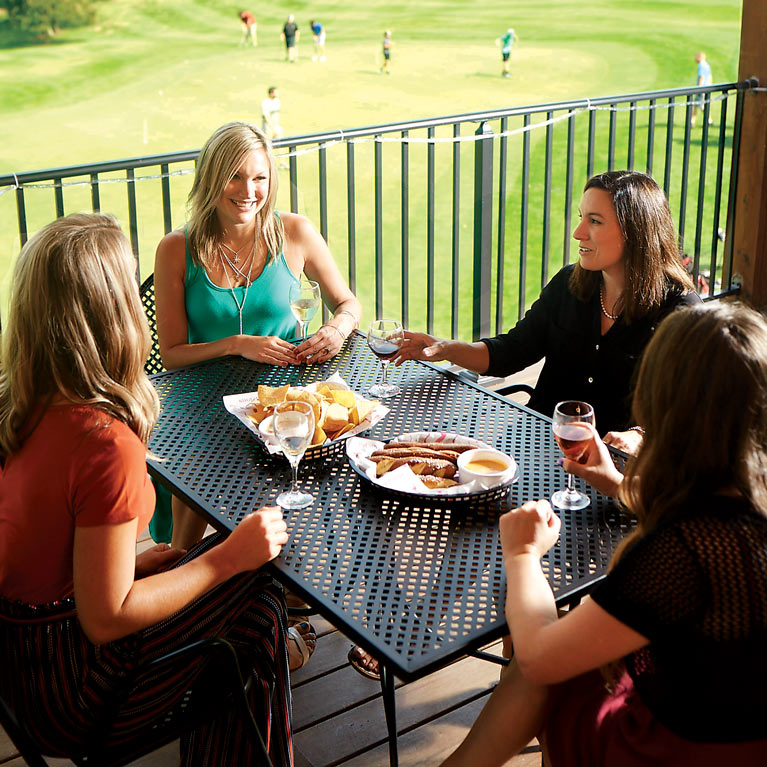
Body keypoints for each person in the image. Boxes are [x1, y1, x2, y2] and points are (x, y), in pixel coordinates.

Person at [0, 213, 317, 766]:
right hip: (76, 696)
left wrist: (137, 568)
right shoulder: (103, 442)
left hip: (17, 661)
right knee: (259, 593)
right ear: (111, 312)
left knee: (215, 575)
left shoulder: (17, 404)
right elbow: (108, 619)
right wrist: (226, 558)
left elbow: (41, 541)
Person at [440, 301, 767, 766]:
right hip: (740, 726)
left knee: (541, 673)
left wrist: (523, 556)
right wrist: (617, 484)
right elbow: (719, 518)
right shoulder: (750, 501)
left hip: (679, 748)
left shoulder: (677, 554)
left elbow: (538, 657)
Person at [154, 121, 360, 549]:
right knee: (193, 470)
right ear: (212, 178)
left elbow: (348, 304)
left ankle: (288, 573)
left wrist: (336, 329)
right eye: (235, 175)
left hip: (286, 393)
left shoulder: (296, 232)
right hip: (203, 401)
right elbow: (172, 355)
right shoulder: (176, 249)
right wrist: (236, 344)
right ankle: (181, 570)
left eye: (259, 177)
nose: (248, 190)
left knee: (331, 458)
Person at [395, 170, 701, 451]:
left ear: (635, 232)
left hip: (615, 466)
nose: (578, 232)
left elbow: (687, 408)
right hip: (536, 445)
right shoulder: (569, 284)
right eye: (582, 217)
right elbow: (510, 352)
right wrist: (445, 348)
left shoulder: (680, 310)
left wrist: (639, 435)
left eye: (595, 221)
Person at [691, 51, 713, 128]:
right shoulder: (707, 65)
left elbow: (701, 77)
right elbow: (710, 77)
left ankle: (692, 122)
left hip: (702, 89)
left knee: (696, 105)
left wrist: (699, 89)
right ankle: (709, 120)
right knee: (701, 105)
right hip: (706, 89)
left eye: (696, 56)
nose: (695, 58)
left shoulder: (701, 65)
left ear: (699, 57)